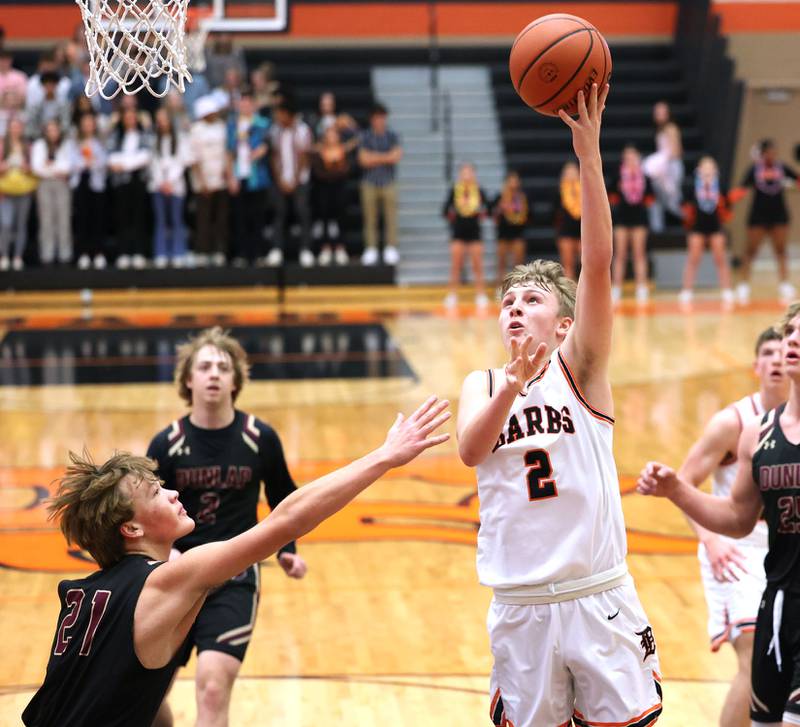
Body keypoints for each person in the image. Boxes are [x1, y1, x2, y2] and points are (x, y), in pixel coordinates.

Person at [22, 395, 450, 726]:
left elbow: (112, 691)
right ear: (131, 530)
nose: (173, 493)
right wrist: (383, 457)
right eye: (155, 493)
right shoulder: (168, 580)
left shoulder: (86, 592)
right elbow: (285, 521)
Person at [457, 84, 662, 727]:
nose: (515, 307)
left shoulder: (582, 368)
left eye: (532, 300)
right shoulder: (483, 385)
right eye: (508, 302)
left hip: (595, 594)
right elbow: (470, 450)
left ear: (565, 321)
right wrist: (514, 385)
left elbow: (597, 263)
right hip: (519, 603)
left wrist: (590, 154)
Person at [637, 300, 800, 727]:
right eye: (785, 339)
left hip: (780, 553)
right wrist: (693, 516)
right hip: (748, 559)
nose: (787, 349)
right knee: (753, 671)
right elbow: (722, 505)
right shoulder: (746, 428)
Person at [145, 327, 306, 725]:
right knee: (144, 699)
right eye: (204, 366)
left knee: (213, 686)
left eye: (223, 366)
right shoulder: (166, 443)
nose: (214, 373)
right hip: (177, 574)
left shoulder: (259, 438)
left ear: (236, 380)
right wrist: (165, 553)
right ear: (188, 379)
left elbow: (285, 495)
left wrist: (287, 549)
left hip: (234, 575)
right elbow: (145, 513)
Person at [674, 327, 786, 727]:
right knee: (754, 658)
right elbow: (683, 484)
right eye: (767, 353)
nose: (775, 360)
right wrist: (710, 542)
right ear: (756, 365)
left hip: (785, 548)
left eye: (783, 351)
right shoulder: (732, 422)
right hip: (735, 548)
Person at [735, 139, 799, 304]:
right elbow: (741, 188)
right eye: (769, 152)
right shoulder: (754, 169)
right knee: (750, 251)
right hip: (758, 216)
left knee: (781, 250)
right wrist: (729, 200)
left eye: (774, 152)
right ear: (762, 154)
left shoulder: (782, 168)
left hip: (779, 215)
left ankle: (784, 283)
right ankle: (743, 284)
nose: (772, 155)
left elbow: (798, 181)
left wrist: (793, 184)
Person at [678, 156, 735, 306]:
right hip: (697, 227)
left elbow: (728, 205)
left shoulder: (721, 186)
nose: (708, 170)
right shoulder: (692, 186)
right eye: (705, 167)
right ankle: (687, 290)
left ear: (716, 170)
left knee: (720, 258)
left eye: (711, 167)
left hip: (716, 227)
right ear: (699, 170)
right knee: (693, 258)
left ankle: (727, 290)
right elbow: (683, 204)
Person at [266, 101, 314, 267]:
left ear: (288, 114)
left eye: (280, 113)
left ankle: (306, 249)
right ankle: (277, 249)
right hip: (281, 179)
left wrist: (294, 179)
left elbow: (304, 157)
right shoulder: (274, 130)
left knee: (302, 212)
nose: (278, 117)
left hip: (299, 179)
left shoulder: (302, 130)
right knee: (279, 213)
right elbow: (273, 156)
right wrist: (279, 178)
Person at [226, 87, 270, 266]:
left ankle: (258, 252)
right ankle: (242, 253)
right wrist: (231, 176)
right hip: (240, 174)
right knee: (240, 216)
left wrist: (262, 150)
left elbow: (268, 144)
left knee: (257, 216)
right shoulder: (232, 124)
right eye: (242, 103)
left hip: (257, 177)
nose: (245, 106)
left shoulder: (262, 123)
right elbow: (229, 152)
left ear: (253, 104)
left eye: (248, 103)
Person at [107, 107, 152, 270]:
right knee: (122, 218)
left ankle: (139, 252)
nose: (130, 120)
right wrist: (130, 161)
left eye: (133, 117)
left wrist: (124, 163)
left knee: (139, 218)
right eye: (127, 117)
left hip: (138, 181)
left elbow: (146, 156)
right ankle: (123, 253)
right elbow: (110, 158)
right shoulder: (116, 136)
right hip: (121, 183)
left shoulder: (143, 135)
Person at [358, 103, 402, 266]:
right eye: (376, 118)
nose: (379, 121)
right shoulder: (365, 136)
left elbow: (396, 156)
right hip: (369, 182)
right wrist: (385, 156)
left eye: (382, 117)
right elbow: (363, 159)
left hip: (388, 181)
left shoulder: (392, 136)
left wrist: (374, 157)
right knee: (370, 217)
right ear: (371, 119)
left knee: (391, 216)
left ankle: (391, 247)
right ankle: (371, 248)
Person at [608, 144, 652, 304]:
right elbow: (610, 194)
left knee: (639, 253)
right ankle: (616, 288)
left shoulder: (645, 176)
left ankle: (641, 287)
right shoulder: (618, 175)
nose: (630, 159)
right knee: (620, 253)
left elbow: (650, 197)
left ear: (638, 158)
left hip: (639, 218)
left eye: (633, 156)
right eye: (627, 157)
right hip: (621, 218)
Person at [442, 162, 488, 310]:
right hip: (458, 232)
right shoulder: (454, 191)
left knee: (477, 264)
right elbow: (444, 210)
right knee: (456, 264)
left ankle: (480, 294)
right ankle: (452, 294)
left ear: (474, 174)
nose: (467, 175)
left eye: (470, 172)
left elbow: (489, 208)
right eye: (464, 172)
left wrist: (483, 213)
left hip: (475, 232)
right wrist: (452, 217)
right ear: (460, 175)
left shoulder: (479, 191)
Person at [190, 95, 229, 267]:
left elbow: (227, 153)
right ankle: (203, 251)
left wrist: (226, 174)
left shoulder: (222, 127)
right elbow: (195, 159)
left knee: (221, 218)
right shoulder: (196, 130)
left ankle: (219, 250)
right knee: (203, 219)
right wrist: (202, 181)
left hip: (220, 180)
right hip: (203, 183)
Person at [31, 118, 74, 266]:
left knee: (63, 219)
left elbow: (68, 167)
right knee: (46, 220)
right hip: (44, 185)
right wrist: (56, 169)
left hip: (62, 185)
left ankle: (65, 255)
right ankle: (47, 255)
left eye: (55, 129)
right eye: (49, 130)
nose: (52, 133)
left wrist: (49, 166)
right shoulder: (39, 145)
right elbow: (36, 168)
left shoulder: (66, 145)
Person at [150, 108, 190, 268]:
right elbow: (153, 164)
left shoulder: (180, 139)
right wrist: (162, 181)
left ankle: (178, 252)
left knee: (176, 219)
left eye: (164, 120)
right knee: (160, 220)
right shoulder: (154, 141)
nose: (162, 124)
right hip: (159, 187)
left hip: (176, 186)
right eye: (159, 121)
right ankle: (161, 252)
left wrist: (170, 181)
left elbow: (181, 162)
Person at [71, 112, 108, 270]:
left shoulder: (100, 142)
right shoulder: (75, 142)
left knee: (98, 219)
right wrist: (84, 163)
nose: (87, 126)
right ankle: (84, 253)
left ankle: (98, 253)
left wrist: (92, 162)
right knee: (82, 219)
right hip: (81, 183)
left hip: (97, 184)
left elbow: (104, 161)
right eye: (84, 123)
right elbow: (72, 162)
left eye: (90, 123)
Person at [0, 115, 35, 271]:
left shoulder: (28, 146)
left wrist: (25, 167)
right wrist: (5, 166)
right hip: (5, 191)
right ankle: (4, 255)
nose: (15, 129)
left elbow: (35, 168)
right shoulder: (2, 145)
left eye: (18, 126)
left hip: (23, 189)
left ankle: (17, 256)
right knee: (6, 224)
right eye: (13, 126)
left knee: (21, 224)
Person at [312, 125, 350, 266]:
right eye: (329, 134)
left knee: (341, 220)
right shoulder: (318, 152)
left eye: (334, 134)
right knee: (324, 220)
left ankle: (340, 248)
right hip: (323, 192)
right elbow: (318, 173)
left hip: (339, 191)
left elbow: (346, 170)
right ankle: (325, 248)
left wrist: (333, 170)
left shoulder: (343, 151)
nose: (332, 137)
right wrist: (334, 170)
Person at [643, 100, 683, 232]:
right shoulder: (660, 129)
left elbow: (676, 151)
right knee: (658, 198)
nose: (659, 114)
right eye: (657, 112)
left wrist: (661, 162)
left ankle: (689, 220)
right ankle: (658, 228)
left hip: (670, 167)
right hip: (662, 167)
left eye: (662, 112)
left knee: (672, 200)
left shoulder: (671, 128)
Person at [491, 170, 529, 287]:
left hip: (517, 234)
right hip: (503, 234)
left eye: (515, 180)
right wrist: (500, 209)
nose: (513, 183)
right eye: (510, 180)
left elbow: (529, 215)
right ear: (506, 182)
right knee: (501, 263)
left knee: (518, 264)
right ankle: (500, 288)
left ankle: (518, 287)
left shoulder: (522, 198)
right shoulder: (500, 197)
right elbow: (492, 213)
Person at [553, 160, 581, 280]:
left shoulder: (586, 189)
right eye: (568, 171)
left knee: (586, 264)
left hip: (583, 232)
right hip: (565, 232)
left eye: (573, 171)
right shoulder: (559, 192)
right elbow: (553, 212)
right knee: (568, 264)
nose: (571, 174)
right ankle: (570, 295)